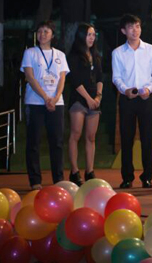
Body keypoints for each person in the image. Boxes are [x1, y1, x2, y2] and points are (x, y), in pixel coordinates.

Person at [113, 14, 152, 189]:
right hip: (127, 99)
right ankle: (127, 177)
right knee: (126, 139)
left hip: (146, 98)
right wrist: (125, 90)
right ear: (123, 31)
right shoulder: (118, 52)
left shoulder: (150, 49)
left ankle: (147, 177)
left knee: (147, 138)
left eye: (137, 26)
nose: (135, 30)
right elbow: (116, 77)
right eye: (130, 27)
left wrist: (149, 89)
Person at [20, 21, 69, 190]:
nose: (42, 34)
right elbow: (30, 77)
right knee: (33, 141)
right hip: (35, 102)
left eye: (46, 31)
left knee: (57, 142)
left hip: (56, 103)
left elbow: (62, 79)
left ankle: (58, 180)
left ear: (52, 35)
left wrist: (54, 99)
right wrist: (45, 97)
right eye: (40, 31)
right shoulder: (30, 53)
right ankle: (35, 181)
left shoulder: (60, 55)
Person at [67, 23, 103, 186]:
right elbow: (74, 79)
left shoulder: (95, 55)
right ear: (81, 36)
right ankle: (74, 171)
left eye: (93, 35)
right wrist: (88, 99)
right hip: (79, 100)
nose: (92, 38)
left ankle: (90, 171)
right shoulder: (74, 56)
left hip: (95, 101)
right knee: (76, 134)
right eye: (89, 34)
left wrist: (98, 96)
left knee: (91, 137)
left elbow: (100, 78)